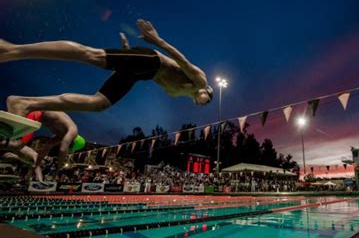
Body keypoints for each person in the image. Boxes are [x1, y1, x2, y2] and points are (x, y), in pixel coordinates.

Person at [2, 19, 213, 117]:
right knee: (91, 55)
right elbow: (182, 60)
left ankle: (26, 103)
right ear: (207, 92)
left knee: (98, 103)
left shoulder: (179, 94)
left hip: (141, 72)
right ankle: (14, 49)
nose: (203, 105)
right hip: (151, 60)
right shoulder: (200, 81)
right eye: (207, 102)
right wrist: (157, 41)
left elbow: (155, 78)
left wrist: (127, 53)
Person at [0, 111, 79, 181]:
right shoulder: (73, 130)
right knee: (18, 144)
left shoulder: (60, 136)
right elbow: (62, 150)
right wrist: (57, 170)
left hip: (36, 116)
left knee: (13, 141)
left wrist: (37, 167)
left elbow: (45, 149)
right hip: (36, 113)